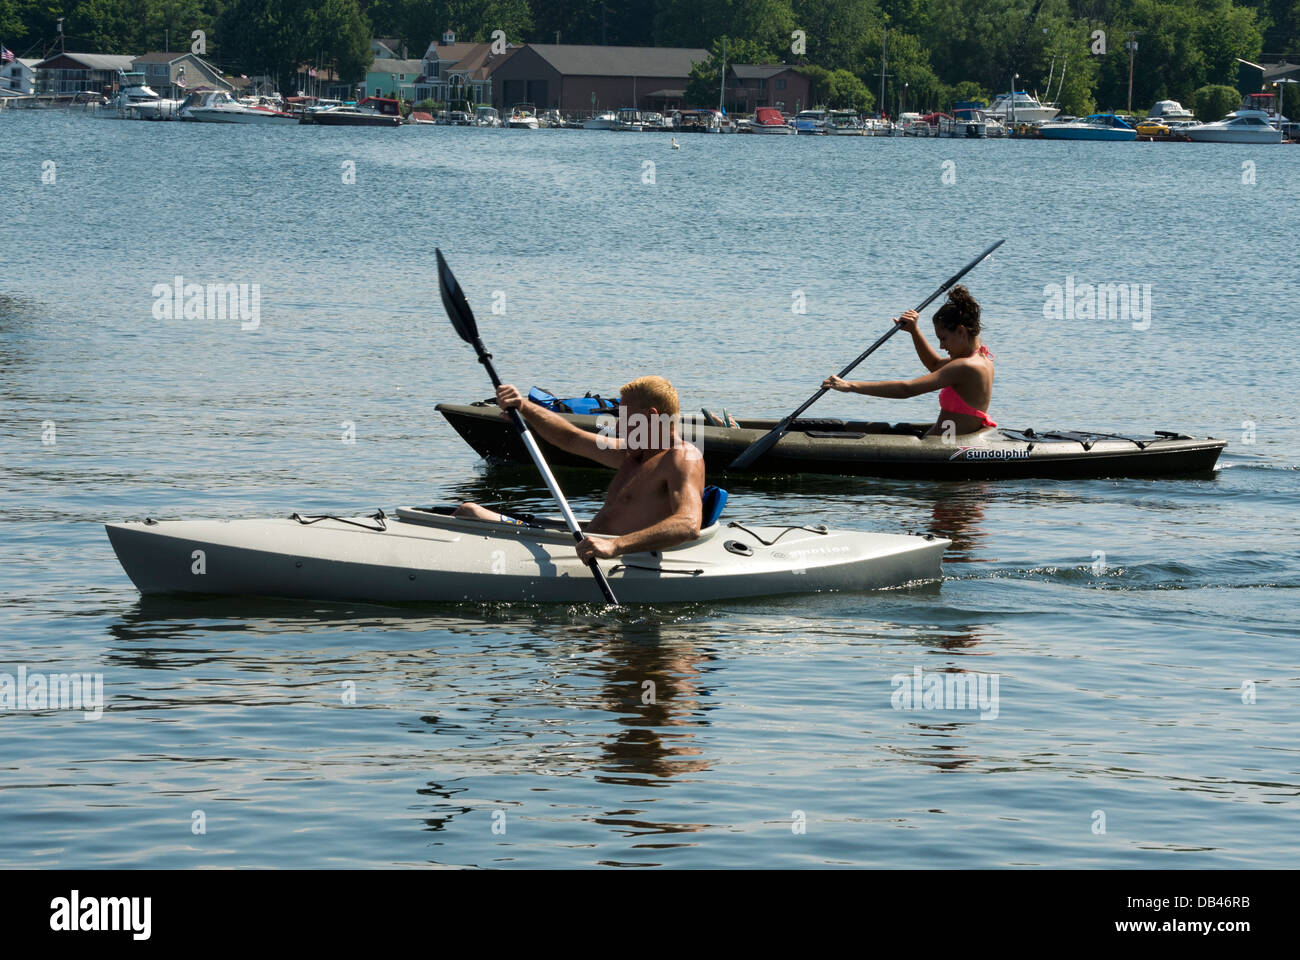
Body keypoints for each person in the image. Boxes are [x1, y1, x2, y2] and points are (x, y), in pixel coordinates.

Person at [454, 376, 706, 563]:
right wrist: (524, 407)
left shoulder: (682, 457)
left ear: (650, 416)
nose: (618, 422)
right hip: (585, 544)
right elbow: (571, 438)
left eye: (624, 414)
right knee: (470, 511)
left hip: (615, 558)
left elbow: (688, 524)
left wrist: (615, 546)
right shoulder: (632, 452)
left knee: (470, 513)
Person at [822, 285, 996, 435]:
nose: (942, 346)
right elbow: (935, 365)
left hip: (942, 448)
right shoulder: (981, 359)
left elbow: (907, 389)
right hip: (944, 440)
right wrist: (914, 331)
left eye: (943, 338)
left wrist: (850, 386)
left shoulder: (964, 366)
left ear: (960, 331)